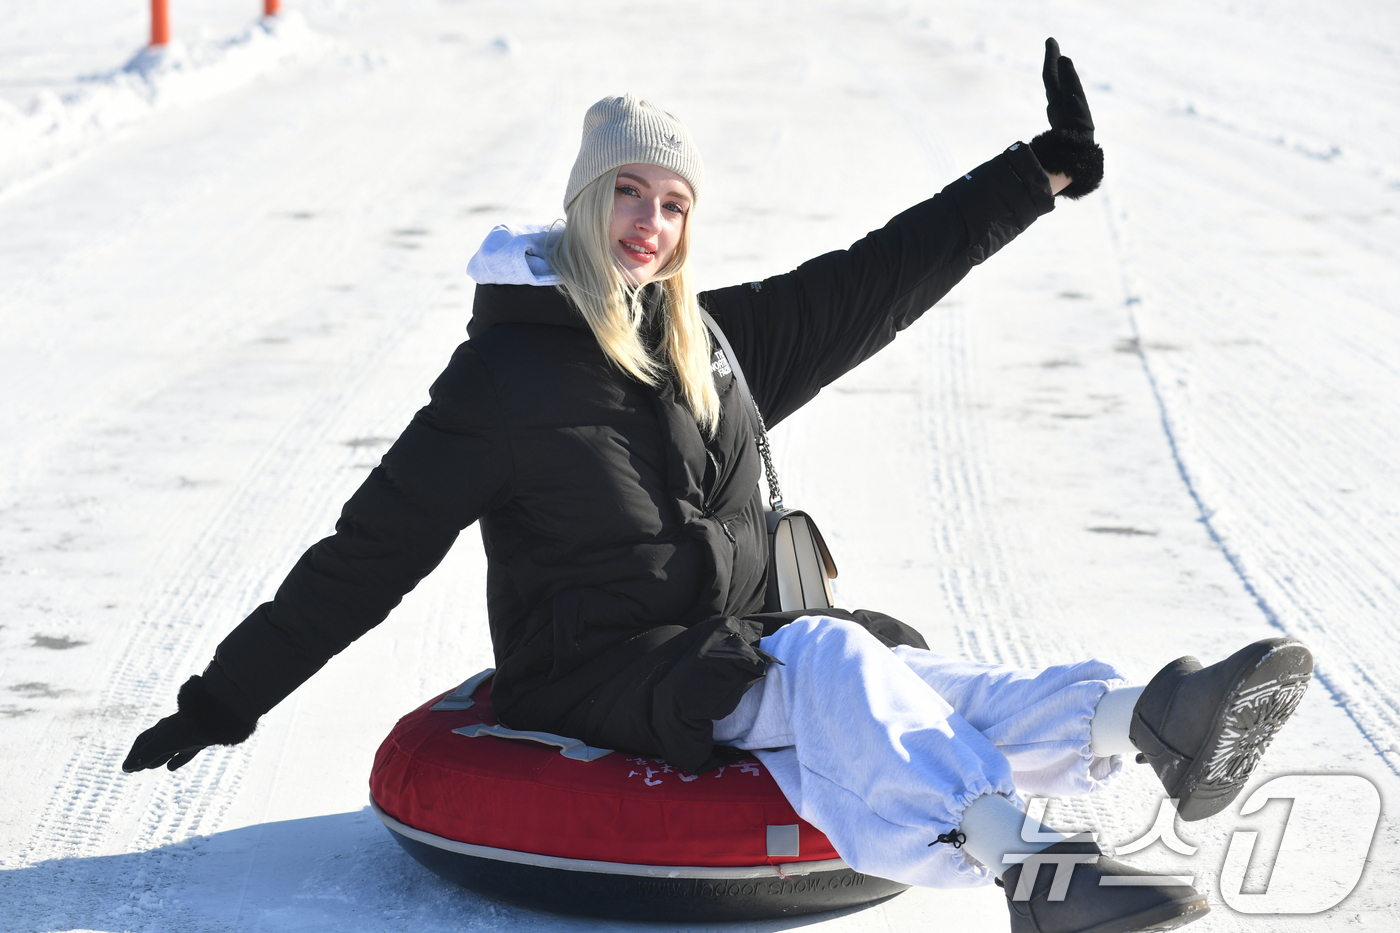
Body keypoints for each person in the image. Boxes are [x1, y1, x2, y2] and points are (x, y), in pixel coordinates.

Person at [123, 40, 1313, 933]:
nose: (649, 225)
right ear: (585, 202)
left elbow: (877, 278)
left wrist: (1035, 175)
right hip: (597, 673)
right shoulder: (501, 381)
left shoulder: (711, 343)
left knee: (905, 677)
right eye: (628, 194)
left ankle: (1145, 722)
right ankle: (1027, 869)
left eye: (673, 205)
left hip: (726, 647)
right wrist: (224, 698)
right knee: (836, 663)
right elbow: (364, 553)